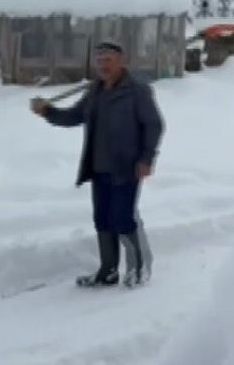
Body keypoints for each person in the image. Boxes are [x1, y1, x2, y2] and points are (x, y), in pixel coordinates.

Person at [30, 41, 164, 288]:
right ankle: (108, 270)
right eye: (99, 60)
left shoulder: (137, 90)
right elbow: (74, 116)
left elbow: (154, 125)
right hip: (99, 166)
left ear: (122, 61)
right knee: (102, 219)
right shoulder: (95, 91)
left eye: (109, 59)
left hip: (127, 167)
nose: (103, 65)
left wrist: (147, 158)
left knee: (123, 218)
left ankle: (139, 267)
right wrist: (48, 112)